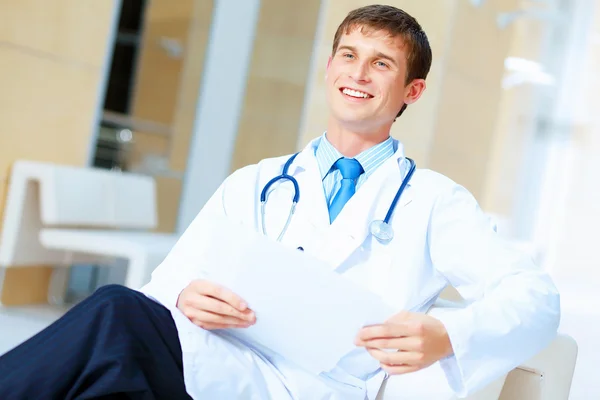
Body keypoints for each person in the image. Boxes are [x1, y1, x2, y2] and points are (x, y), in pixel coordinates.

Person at [0, 4, 560, 400]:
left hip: (321, 388)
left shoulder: (435, 202)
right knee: (115, 344)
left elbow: (535, 298)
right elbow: (168, 284)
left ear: (411, 91)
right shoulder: (257, 181)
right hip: (217, 363)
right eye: (348, 54)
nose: (357, 74)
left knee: (112, 318)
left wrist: (448, 336)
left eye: (381, 63)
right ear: (329, 66)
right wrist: (188, 295)